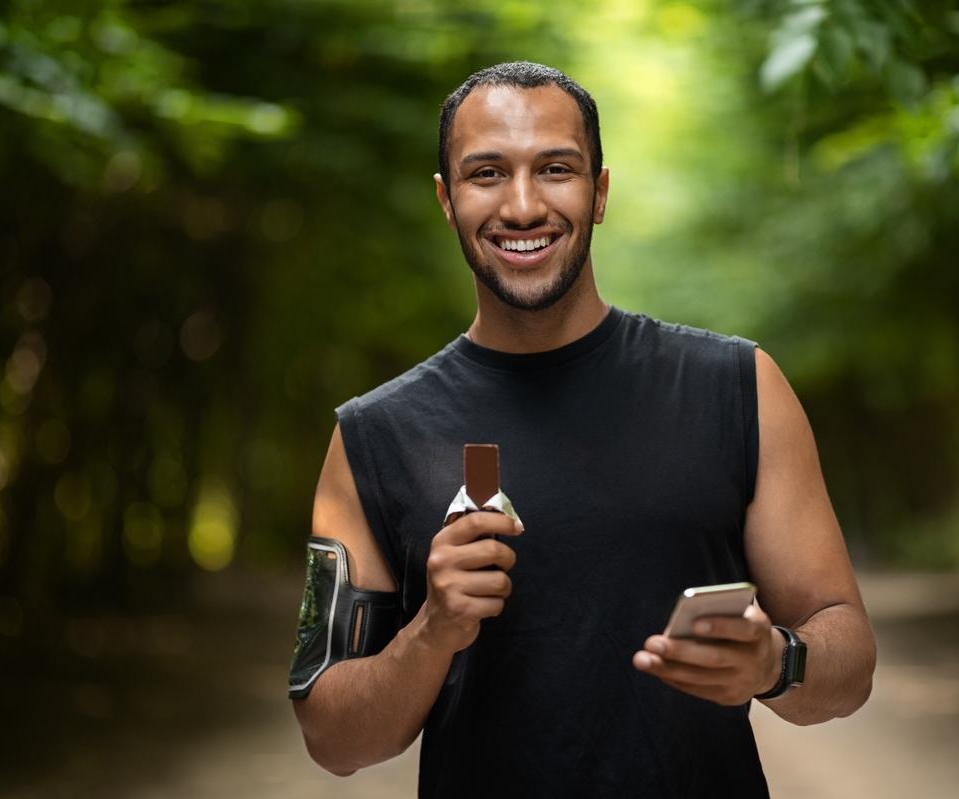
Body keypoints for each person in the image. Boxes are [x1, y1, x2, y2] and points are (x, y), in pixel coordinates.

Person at [290, 61, 876, 797]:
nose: (525, 204)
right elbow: (330, 737)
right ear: (446, 199)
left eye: (556, 168)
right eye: (487, 174)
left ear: (600, 192)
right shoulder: (372, 437)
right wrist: (432, 629)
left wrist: (778, 660)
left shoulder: (739, 387)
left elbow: (848, 653)